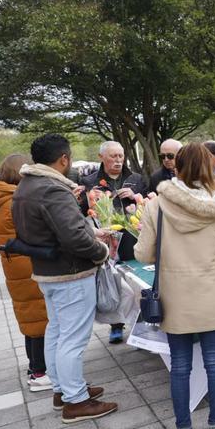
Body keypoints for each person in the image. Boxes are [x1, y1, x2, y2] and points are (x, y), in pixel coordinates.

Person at [134, 142, 215, 429]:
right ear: (210, 168)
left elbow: (143, 253)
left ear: (175, 167)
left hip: (174, 296)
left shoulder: (157, 205)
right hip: (210, 293)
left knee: (180, 365)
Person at [12, 133, 118, 422]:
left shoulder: (27, 186)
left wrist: (91, 233)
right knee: (72, 338)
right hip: (70, 273)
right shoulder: (52, 189)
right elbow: (73, 237)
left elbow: (55, 230)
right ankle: (76, 401)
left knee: (58, 333)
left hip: (48, 272)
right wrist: (101, 252)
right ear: (63, 158)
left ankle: (64, 390)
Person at [0, 154, 52, 391]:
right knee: (39, 320)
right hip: (27, 267)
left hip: (17, 268)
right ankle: (40, 373)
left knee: (31, 320)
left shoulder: (3, 198)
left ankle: (35, 368)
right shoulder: (14, 201)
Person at [82, 140, 145, 343]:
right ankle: (116, 324)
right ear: (101, 157)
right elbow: (82, 210)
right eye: (113, 156)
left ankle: (140, 325)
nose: (118, 160)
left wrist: (136, 196)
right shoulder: (90, 181)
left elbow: (148, 202)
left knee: (137, 281)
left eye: (120, 156)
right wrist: (91, 199)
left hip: (132, 236)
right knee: (113, 281)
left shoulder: (135, 178)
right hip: (106, 238)